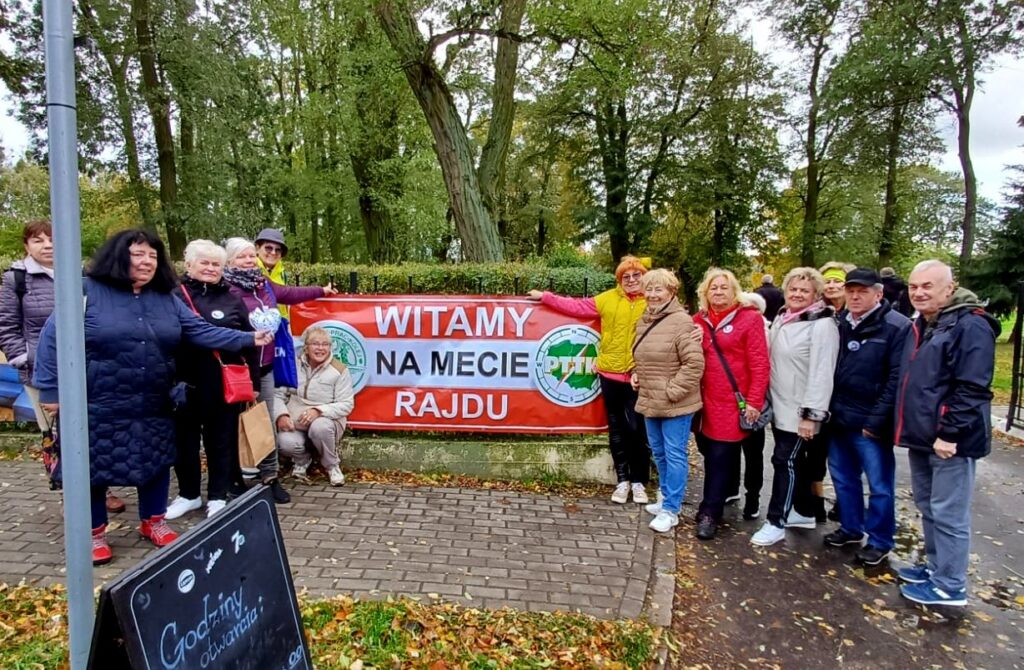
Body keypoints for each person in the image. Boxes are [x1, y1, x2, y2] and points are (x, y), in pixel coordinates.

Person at [32, 229, 273, 565]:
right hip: (99, 399)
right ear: (118, 256)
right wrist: (51, 389)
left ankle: (153, 521)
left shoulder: (165, 298)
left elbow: (199, 330)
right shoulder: (87, 291)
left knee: (156, 462)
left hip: (154, 397)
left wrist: (248, 338)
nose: (146, 262)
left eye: (152, 256)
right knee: (94, 467)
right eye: (137, 254)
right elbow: (51, 339)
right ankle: (95, 534)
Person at [0, 220, 127, 514]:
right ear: (26, 246)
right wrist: (25, 358)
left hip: (86, 368)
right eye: (38, 240)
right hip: (42, 373)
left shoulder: (80, 275)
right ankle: (72, 493)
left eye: (52, 239)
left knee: (92, 429)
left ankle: (100, 488)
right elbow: (7, 327)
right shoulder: (16, 280)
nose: (47, 245)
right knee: (58, 434)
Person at [895, 260, 998, 606]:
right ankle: (935, 567)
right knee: (929, 506)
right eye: (914, 286)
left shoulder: (971, 326)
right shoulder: (925, 324)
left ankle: (950, 585)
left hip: (950, 441)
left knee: (949, 513)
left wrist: (949, 433)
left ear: (949, 288)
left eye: (928, 286)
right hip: (923, 437)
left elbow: (973, 387)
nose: (919, 292)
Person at [528, 256, 652, 504]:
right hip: (608, 374)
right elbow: (576, 307)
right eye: (625, 277)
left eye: (636, 275)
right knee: (616, 429)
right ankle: (623, 480)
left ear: (644, 276)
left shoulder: (653, 301)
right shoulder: (607, 299)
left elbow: (674, 326)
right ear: (619, 280)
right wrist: (546, 297)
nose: (631, 280)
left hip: (639, 377)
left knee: (637, 430)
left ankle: (639, 481)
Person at [222, 237, 336, 504]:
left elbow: (290, 294)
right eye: (242, 257)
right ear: (229, 261)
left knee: (265, 423)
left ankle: (269, 478)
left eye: (252, 256)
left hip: (264, 368)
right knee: (230, 425)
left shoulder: (264, 286)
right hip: (235, 370)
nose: (249, 261)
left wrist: (321, 289)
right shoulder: (224, 289)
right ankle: (231, 477)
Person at [165, 240, 260, 520]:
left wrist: (253, 382)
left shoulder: (232, 299)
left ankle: (218, 495)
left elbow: (249, 342)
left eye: (215, 264)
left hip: (224, 384)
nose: (209, 268)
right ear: (189, 264)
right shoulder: (174, 295)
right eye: (204, 262)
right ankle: (189, 494)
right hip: (183, 383)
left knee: (221, 441)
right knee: (185, 443)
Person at [823, 268, 911, 566]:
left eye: (862, 291)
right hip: (840, 417)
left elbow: (896, 379)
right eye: (851, 290)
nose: (855, 296)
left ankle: (880, 540)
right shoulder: (840, 323)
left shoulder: (895, 327)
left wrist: (877, 420)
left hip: (871, 422)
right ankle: (850, 527)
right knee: (843, 479)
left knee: (880, 486)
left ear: (878, 293)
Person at [751, 267, 839, 547]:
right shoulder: (782, 318)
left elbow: (822, 373)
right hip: (781, 405)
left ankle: (776, 521)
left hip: (800, 410)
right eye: (793, 289)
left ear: (815, 294)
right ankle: (803, 511)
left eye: (805, 290)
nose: (798, 294)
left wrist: (812, 415)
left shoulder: (822, 323)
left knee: (784, 462)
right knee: (793, 462)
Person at [692, 270, 771, 540]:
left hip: (730, 402)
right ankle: (720, 495)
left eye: (724, 288)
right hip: (702, 402)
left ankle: (710, 512)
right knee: (708, 450)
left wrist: (754, 401)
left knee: (719, 456)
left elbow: (760, 364)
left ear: (734, 291)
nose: (718, 292)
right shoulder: (698, 321)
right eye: (713, 288)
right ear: (705, 292)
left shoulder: (749, 320)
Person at [630, 269, 703, 533]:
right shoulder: (645, 319)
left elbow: (694, 364)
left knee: (674, 454)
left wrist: (672, 391)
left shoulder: (681, 322)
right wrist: (635, 374)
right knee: (659, 452)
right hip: (650, 399)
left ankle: (672, 509)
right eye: (648, 289)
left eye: (658, 289)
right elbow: (642, 354)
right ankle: (664, 498)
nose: (651, 294)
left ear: (671, 292)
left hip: (676, 404)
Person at [275, 327, 355, 486]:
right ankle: (303, 460)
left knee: (320, 427)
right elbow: (278, 394)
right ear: (306, 347)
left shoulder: (339, 370)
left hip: (327, 422)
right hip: (296, 422)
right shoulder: (292, 364)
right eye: (315, 344)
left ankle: (332, 466)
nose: (320, 348)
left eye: (325, 344)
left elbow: (346, 404)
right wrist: (281, 415)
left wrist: (319, 411)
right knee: (284, 442)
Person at [255, 228, 290, 318]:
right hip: (256, 328)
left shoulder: (282, 273)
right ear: (257, 248)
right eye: (268, 248)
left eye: (278, 250)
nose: (273, 253)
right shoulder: (250, 270)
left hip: (281, 325)